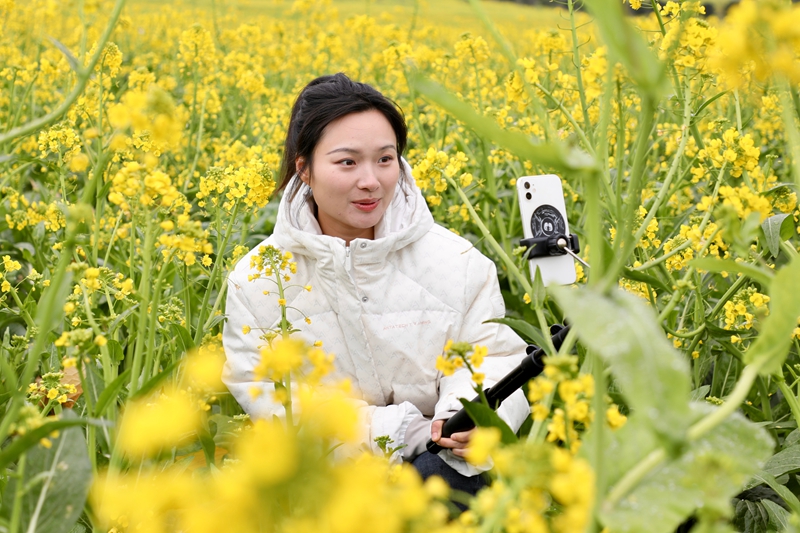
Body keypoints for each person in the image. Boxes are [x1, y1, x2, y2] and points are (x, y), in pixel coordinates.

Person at [222, 73, 529, 494]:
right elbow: (276, 402)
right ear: (304, 169)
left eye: (385, 159)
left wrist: (472, 416)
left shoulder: (457, 262)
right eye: (347, 162)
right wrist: (403, 431)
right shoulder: (256, 282)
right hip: (328, 481)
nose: (371, 180)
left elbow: (489, 356)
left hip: (446, 472)